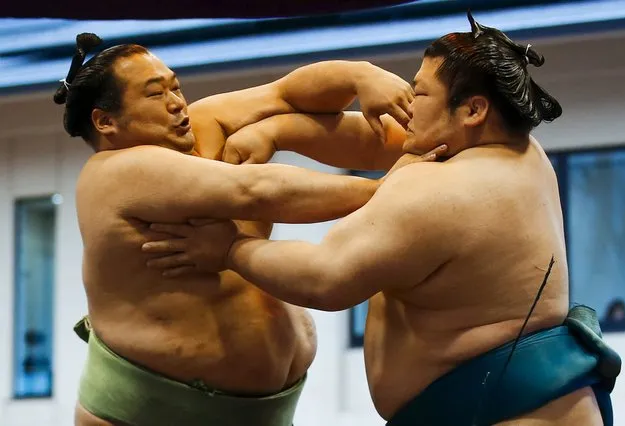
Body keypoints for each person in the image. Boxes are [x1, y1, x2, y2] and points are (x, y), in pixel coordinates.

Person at [145, 12, 622, 426]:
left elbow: (325, 277)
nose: (409, 109)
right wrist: (279, 129)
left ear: (474, 109)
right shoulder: (515, 153)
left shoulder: (442, 190)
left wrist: (228, 250)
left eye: (422, 94)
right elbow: (376, 139)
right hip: (536, 405)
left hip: (507, 414)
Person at [55, 33, 445, 426]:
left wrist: (359, 76)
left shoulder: (206, 123)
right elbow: (257, 192)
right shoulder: (113, 173)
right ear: (106, 121)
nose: (177, 103)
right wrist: (387, 189)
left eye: (176, 87)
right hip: (143, 414)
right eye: (156, 95)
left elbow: (288, 93)